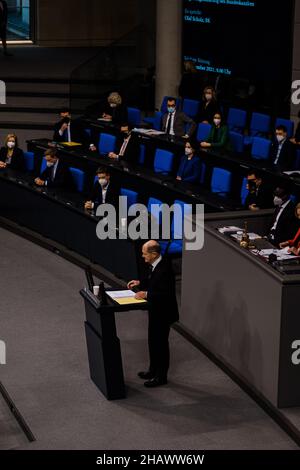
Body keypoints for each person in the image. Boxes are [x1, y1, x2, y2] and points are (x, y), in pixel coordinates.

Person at [127, 241, 179, 388]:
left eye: (145, 253)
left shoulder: (165, 269)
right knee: (152, 341)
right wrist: (140, 282)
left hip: (164, 312)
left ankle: (161, 377)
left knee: (161, 344)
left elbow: (166, 294)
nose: (143, 256)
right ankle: (152, 370)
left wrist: (146, 293)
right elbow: (152, 280)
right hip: (155, 311)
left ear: (154, 254)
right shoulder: (156, 265)